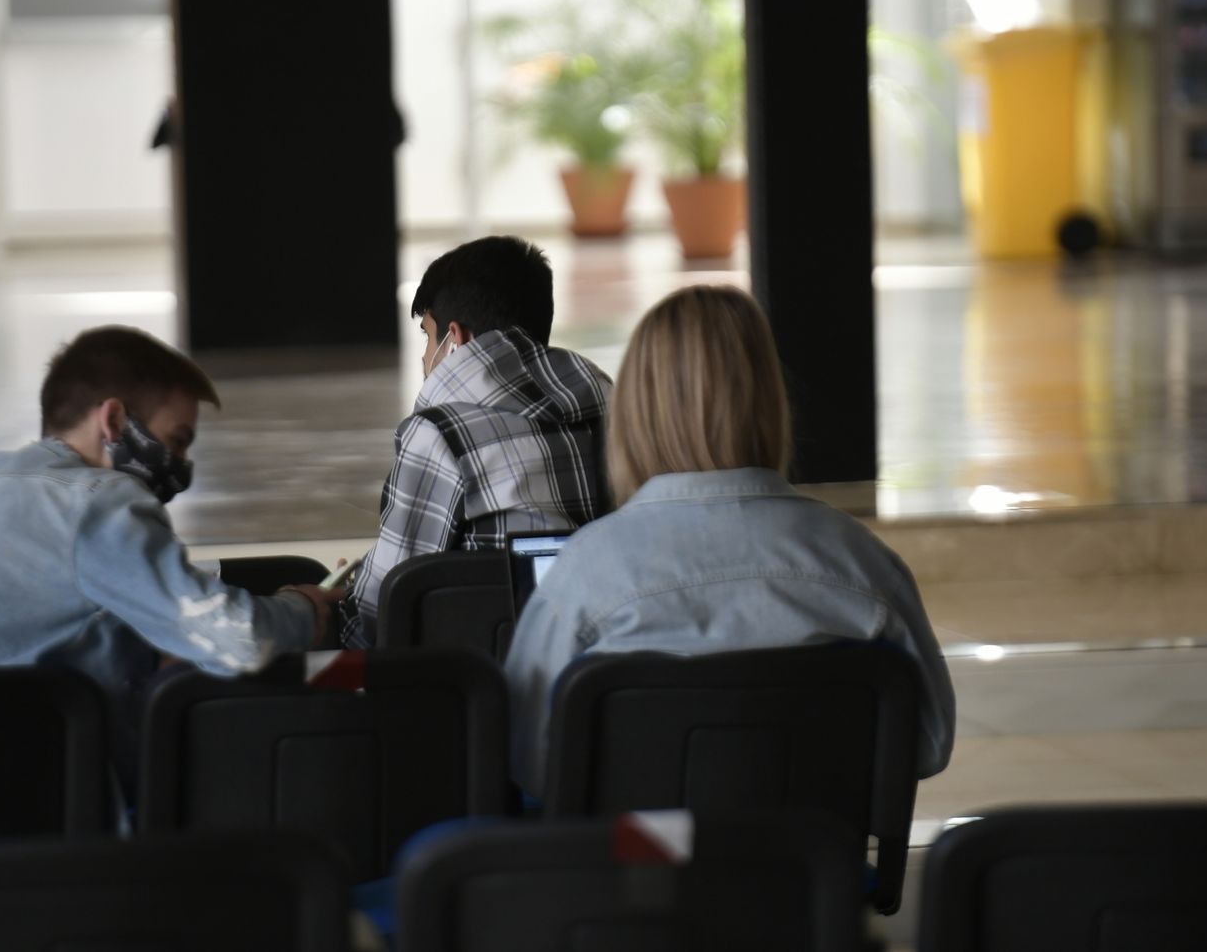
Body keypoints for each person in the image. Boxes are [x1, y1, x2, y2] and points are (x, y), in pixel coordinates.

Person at [502, 285, 955, 796]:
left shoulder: (587, 571)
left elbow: (530, 760)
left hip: (641, 869)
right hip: (812, 868)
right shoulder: (862, 562)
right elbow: (927, 744)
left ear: (636, 410)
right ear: (769, 399)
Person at [0, 325, 339, 716]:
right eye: (178, 440)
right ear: (114, 421)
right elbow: (237, 640)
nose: (181, 467)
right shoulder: (99, 499)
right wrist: (299, 609)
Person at [336, 236, 613, 648]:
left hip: (490, 680)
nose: (427, 357)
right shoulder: (611, 407)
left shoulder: (441, 434)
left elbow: (381, 615)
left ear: (456, 338)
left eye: (428, 338)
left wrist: (335, 607)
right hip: (602, 664)